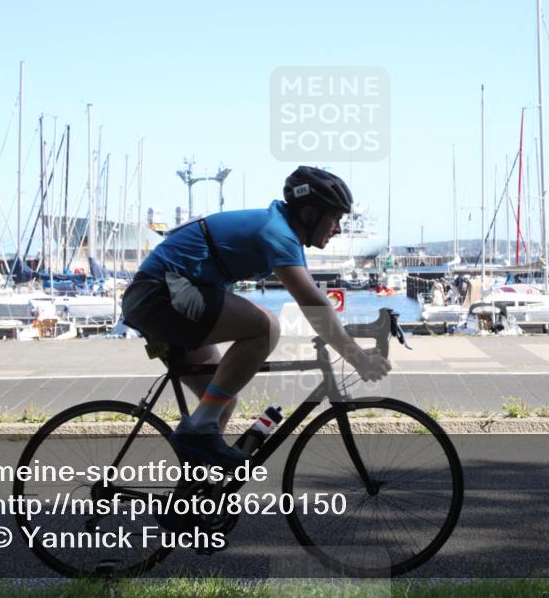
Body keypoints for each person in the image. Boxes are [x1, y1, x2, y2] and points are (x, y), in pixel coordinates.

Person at [122, 166, 392, 468]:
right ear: (309, 213)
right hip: (160, 295)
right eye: (335, 218)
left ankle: (190, 504)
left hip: (162, 299)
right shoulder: (276, 231)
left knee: (220, 402)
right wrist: (357, 357)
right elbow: (312, 303)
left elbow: (316, 301)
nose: (338, 228)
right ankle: (197, 433)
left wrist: (351, 340)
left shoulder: (282, 231)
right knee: (265, 328)